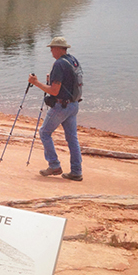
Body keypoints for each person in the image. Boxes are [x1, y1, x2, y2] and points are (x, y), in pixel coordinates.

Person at [28, 37, 83, 181]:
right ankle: (76, 171)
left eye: (52, 48)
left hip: (61, 106)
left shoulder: (59, 64)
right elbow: (69, 81)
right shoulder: (73, 60)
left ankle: (54, 165)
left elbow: (54, 91)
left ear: (59, 48)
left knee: (44, 132)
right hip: (73, 105)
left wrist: (36, 83)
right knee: (72, 138)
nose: (51, 50)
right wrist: (51, 78)